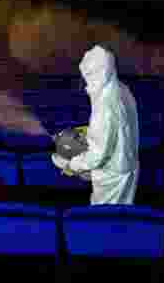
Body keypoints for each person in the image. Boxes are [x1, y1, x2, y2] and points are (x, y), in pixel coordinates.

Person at [51, 45, 140, 205]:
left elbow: (98, 155)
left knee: (106, 217)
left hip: (111, 176)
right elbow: (116, 130)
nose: (86, 80)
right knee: (124, 214)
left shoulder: (106, 104)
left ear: (96, 73)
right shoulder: (122, 89)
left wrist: (71, 165)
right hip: (126, 166)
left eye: (88, 74)